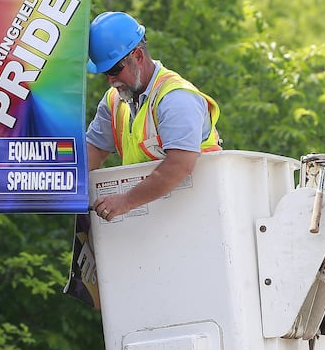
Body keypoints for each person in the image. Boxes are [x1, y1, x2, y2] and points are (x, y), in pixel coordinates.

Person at [85, 12, 222, 221]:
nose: (111, 80)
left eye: (114, 69)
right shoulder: (114, 100)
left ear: (138, 56)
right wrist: (60, 184)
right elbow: (93, 150)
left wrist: (126, 201)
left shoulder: (176, 98)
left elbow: (180, 164)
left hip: (200, 218)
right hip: (155, 224)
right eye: (105, 73)